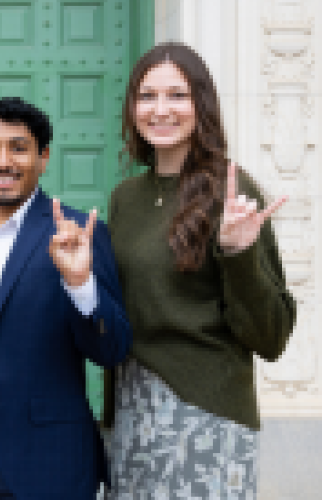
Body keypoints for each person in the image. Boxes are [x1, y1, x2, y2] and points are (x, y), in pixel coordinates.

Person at [103, 42, 296, 499]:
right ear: (132, 108)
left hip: (207, 409)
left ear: (201, 105)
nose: (160, 109)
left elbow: (271, 337)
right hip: (132, 406)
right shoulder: (125, 197)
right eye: (147, 96)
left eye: (178, 95)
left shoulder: (232, 191)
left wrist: (238, 252)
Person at [0, 96, 131, 500]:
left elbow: (113, 348)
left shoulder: (78, 235)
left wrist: (80, 284)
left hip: (50, 456)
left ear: (43, 157)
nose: (2, 161)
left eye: (18, 148)